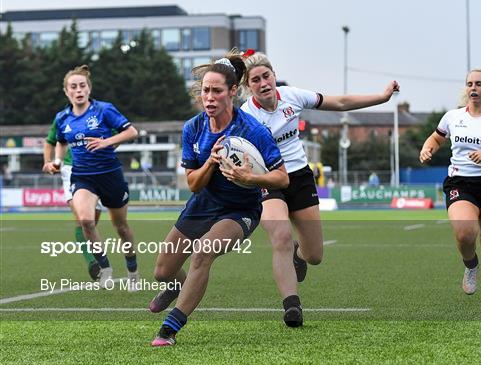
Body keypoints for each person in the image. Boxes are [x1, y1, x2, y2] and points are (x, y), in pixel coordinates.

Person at [239, 51, 400, 327]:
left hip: (300, 177)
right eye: (255, 80)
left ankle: (298, 256)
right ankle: (292, 306)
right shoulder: (245, 116)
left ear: (274, 75)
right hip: (268, 181)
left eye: (267, 76)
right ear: (248, 87)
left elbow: (341, 102)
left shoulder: (292, 96)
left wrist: (382, 97)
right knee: (280, 237)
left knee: (314, 256)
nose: (263, 83)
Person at [150, 51, 288, 346]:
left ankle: (169, 329)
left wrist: (252, 179)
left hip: (240, 210)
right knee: (163, 271)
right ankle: (178, 287)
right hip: (202, 205)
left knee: (203, 253)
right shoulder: (193, 128)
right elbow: (192, 184)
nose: (209, 98)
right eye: (205, 91)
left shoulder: (253, 131)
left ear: (233, 92)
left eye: (216, 91)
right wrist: (210, 163)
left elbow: (282, 178)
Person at [419, 68, 481, 301]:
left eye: (478, 83)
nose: (473, 88)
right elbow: (436, 138)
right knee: (465, 233)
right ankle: (471, 265)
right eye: (469, 84)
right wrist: (427, 148)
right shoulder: (453, 117)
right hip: (460, 182)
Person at [52, 64, 140, 290]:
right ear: (67, 91)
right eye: (73, 86)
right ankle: (105, 268)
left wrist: (107, 142)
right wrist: (57, 161)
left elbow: (131, 132)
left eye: (82, 85)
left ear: (89, 89)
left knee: (120, 226)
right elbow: (61, 141)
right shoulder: (63, 118)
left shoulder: (104, 110)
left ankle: (133, 270)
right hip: (83, 177)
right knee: (86, 221)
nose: (78, 90)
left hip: (110, 175)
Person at [42, 120, 104, 280]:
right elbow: (50, 142)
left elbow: (117, 135)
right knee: (82, 220)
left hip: (96, 170)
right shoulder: (62, 118)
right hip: (70, 170)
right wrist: (48, 162)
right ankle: (92, 263)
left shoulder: (100, 114)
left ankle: (98, 258)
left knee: (91, 223)